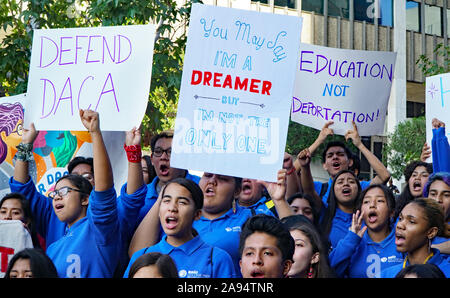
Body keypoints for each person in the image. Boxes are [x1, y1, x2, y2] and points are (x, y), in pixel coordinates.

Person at [12, 110, 121, 278]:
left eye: (64, 191)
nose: (56, 196)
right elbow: (21, 190)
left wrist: (95, 133)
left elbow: (104, 191)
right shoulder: (53, 248)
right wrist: (26, 144)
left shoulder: (100, 228)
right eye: (55, 193)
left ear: (85, 199)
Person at [130, 170, 293, 276]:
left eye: (222, 178)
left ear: (237, 191)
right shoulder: (176, 217)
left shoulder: (251, 218)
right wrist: (166, 196)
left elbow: (295, 242)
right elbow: (137, 255)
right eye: (207, 175)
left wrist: (279, 200)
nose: (212, 181)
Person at [124, 178, 236, 278]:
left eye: (182, 202)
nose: (172, 208)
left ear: (197, 214)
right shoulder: (141, 256)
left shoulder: (217, 258)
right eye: (167, 201)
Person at [294, 121, 390, 206]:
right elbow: (292, 172)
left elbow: (384, 176)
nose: (335, 157)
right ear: (324, 165)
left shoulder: (360, 188)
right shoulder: (319, 189)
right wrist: (319, 141)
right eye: (330, 155)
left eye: (340, 154)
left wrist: (360, 145)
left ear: (350, 162)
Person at [328, 184, 403, 278]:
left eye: (380, 201)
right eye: (366, 201)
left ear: (391, 213)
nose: (372, 205)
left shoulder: (401, 240)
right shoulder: (352, 242)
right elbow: (328, 271)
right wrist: (351, 240)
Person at [137, 130, 200, 223]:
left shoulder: (202, 188)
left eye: (171, 152)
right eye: (158, 151)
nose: (163, 156)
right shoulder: (140, 195)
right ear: (152, 160)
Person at [381, 198, 450, 278]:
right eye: (400, 219)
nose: (399, 225)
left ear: (431, 232)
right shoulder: (385, 275)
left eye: (411, 222)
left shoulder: (447, 272)